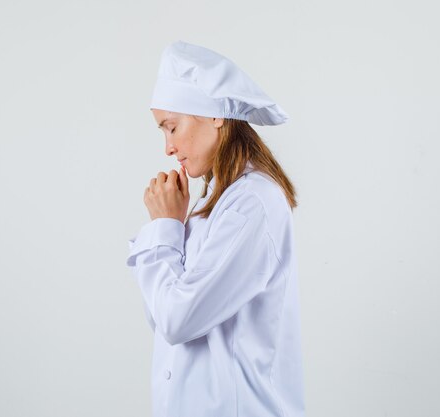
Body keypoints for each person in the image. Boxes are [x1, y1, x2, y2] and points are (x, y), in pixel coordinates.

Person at [126, 40, 306, 417]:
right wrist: (172, 227)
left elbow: (177, 321)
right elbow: (162, 317)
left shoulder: (252, 204)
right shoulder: (216, 206)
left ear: (215, 116)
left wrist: (164, 229)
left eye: (172, 127)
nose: (168, 147)